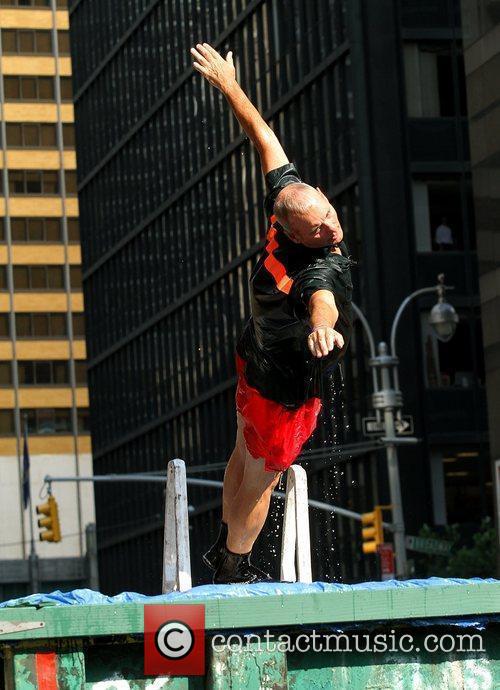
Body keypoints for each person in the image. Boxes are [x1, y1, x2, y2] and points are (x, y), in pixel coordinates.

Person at [190, 43, 354, 584]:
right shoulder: (316, 265)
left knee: (242, 452)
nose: (331, 229)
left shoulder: (289, 202)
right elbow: (322, 300)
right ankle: (234, 564)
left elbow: (265, 139)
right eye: (318, 229)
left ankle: (223, 546)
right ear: (293, 232)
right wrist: (323, 331)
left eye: (329, 215)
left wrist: (230, 86)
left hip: (253, 357)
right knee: (262, 478)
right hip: (282, 384)